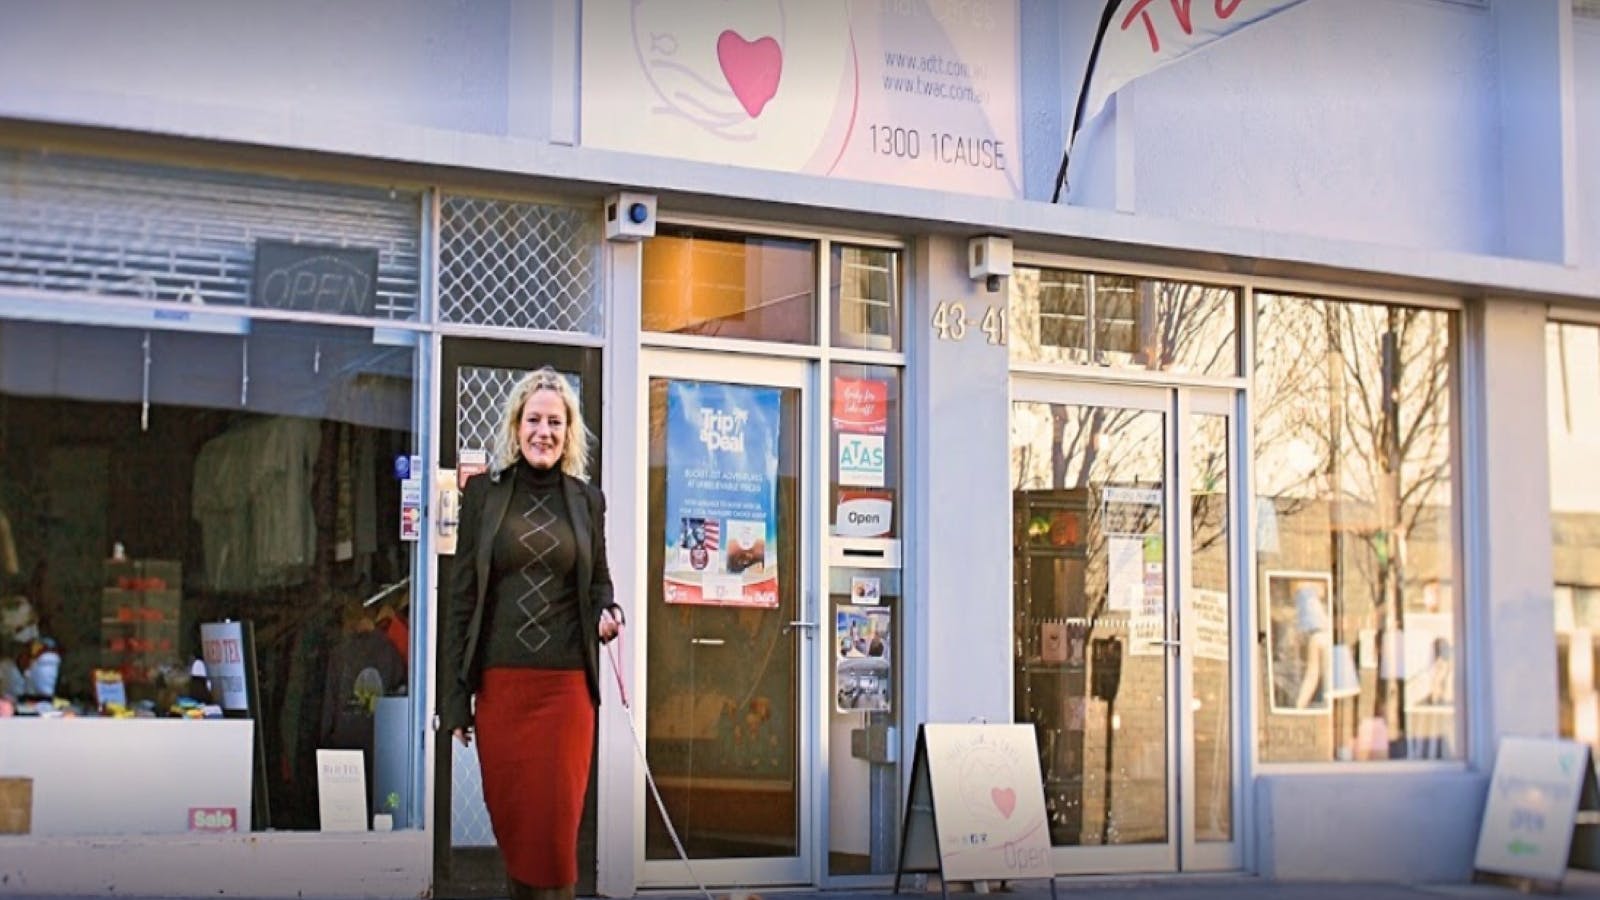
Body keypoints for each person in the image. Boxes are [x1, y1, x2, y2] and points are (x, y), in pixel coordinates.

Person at [439, 367, 623, 900]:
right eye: (534, 420)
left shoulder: (587, 500)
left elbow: (599, 582)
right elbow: (461, 602)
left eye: (556, 422)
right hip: (502, 690)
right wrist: (456, 703)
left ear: (569, 431)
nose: (544, 431)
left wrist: (608, 613)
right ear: (516, 426)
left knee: (554, 837)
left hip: (565, 693)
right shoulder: (483, 496)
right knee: (518, 833)